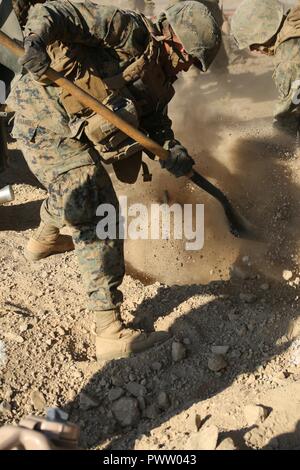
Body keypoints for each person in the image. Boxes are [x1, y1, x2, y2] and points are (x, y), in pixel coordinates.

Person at [6, 0, 221, 361]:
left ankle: (48, 236)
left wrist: (173, 149)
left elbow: (153, 125)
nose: (186, 68)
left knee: (75, 189)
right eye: (188, 58)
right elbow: (57, 12)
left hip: (74, 133)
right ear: (173, 39)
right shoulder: (128, 30)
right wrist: (34, 44)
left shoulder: (160, 76)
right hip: (42, 121)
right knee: (95, 202)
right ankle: (109, 331)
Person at [231, 0, 300, 135]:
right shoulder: (294, 20)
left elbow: (288, 111)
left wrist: (281, 143)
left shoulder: (288, 60)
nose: (252, 48)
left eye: (253, 42)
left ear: (263, 31)